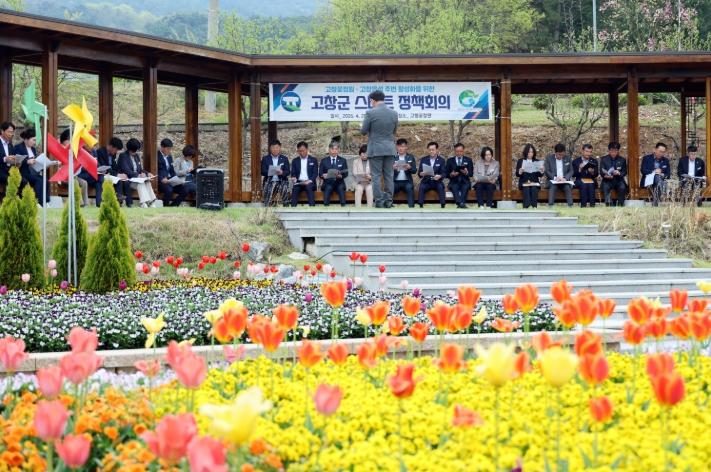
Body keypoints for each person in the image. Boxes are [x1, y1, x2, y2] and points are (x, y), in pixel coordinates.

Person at [360, 89, 398, 208]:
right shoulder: (394, 113)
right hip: (389, 148)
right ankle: (389, 201)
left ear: (372, 100)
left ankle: (379, 201)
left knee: (376, 176)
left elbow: (363, 131)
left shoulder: (370, 113)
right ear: (384, 99)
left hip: (376, 149)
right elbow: (394, 131)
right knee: (389, 176)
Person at [14, 128, 50, 207]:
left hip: (32, 172)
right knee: (38, 181)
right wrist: (27, 162)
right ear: (26, 139)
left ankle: (45, 201)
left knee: (46, 180)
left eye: (35, 140)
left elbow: (35, 161)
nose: (34, 142)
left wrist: (43, 165)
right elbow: (16, 160)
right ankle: (36, 201)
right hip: (23, 172)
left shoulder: (33, 149)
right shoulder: (18, 147)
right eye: (33, 140)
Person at [118, 138, 157, 208]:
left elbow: (140, 169)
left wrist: (148, 174)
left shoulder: (136, 156)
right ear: (129, 149)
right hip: (129, 180)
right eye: (134, 150)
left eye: (136, 150)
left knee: (147, 182)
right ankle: (143, 203)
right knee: (140, 183)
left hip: (138, 179)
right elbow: (126, 170)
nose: (135, 152)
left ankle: (152, 202)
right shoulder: (123, 156)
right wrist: (139, 175)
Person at [58, 129, 89, 207]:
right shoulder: (59, 149)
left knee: (84, 183)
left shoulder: (72, 149)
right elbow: (58, 163)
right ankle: (79, 202)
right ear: (63, 140)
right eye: (68, 140)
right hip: (63, 175)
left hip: (72, 174)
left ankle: (86, 203)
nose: (70, 142)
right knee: (75, 182)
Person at [97, 137, 132, 207]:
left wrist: (121, 174)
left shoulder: (113, 154)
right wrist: (117, 175)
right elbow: (104, 167)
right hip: (104, 174)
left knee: (125, 181)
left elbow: (115, 167)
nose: (116, 152)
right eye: (116, 149)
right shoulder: (100, 152)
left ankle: (129, 203)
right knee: (119, 182)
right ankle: (118, 202)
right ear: (111, 147)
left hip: (112, 174)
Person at [157, 138, 189, 207]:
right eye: (167, 149)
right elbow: (153, 171)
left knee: (185, 190)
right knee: (169, 190)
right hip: (162, 181)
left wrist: (178, 181)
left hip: (171, 180)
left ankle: (173, 207)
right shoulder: (156, 156)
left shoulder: (169, 157)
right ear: (162, 147)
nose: (169, 151)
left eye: (170, 149)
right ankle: (166, 207)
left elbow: (172, 171)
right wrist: (161, 179)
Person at [260, 139, 291, 207]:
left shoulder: (284, 159)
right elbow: (262, 171)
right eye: (273, 148)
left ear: (280, 148)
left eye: (277, 148)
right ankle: (268, 208)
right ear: (270, 149)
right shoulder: (265, 159)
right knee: (267, 189)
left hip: (281, 181)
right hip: (269, 181)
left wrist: (282, 172)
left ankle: (286, 207)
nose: (275, 150)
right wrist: (270, 172)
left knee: (284, 189)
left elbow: (288, 171)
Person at [76, 138, 105, 207]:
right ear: (85, 143)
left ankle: (99, 204)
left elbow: (97, 164)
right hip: (82, 175)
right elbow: (79, 168)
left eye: (94, 145)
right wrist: (91, 169)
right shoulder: (79, 152)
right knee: (99, 178)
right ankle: (104, 181)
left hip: (92, 176)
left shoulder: (94, 153)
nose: (93, 147)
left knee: (98, 182)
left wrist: (101, 169)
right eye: (91, 145)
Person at [640, 142, 671, 207]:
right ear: (655, 149)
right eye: (660, 151)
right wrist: (653, 172)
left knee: (657, 184)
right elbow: (643, 170)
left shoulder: (665, 161)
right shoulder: (647, 158)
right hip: (648, 181)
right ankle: (667, 190)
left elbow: (668, 174)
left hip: (658, 182)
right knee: (655, 175)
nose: (661, 154)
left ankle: (655, 206)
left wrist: (663, 175)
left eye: (663, 152)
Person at [319, 141, 349, 206]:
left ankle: (343, 206)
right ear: (329, 150)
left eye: (336, 149)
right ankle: (326, 206)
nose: (334, 151)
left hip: (339, 182)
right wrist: (323, 175)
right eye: (332, 149)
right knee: (328, 188)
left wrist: (340, 176)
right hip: (328, 182)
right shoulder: (324, 161)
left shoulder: (343, 160)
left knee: (341, 188)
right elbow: (320, 173)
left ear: (338, 150)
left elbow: (346, 173)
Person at [417, 141, 446, 208]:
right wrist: (422, 174)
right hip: (426, 181)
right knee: (422, 186)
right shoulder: (424, 160)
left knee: (440, 186)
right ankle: (420, 205)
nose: (431, 151)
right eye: (430, 150)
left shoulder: (441, 160)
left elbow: (444, 173)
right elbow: (419, 173)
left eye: (433, 150)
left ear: (437, 150)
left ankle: (443, 205)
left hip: (437, 182)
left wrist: (440, 176)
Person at [544, 143, 574, 208]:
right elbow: (547, 171)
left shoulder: (567, 158)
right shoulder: (549, 159)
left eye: (562, 154)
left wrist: (565, 178)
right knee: (553, 187)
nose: (561, 156)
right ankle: (550, 206)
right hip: (553, 181)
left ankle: (570, 206)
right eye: (559, 154)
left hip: (564, 181)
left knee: (567, 187)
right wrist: (555, 178)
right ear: (555, 152)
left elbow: (571, 171)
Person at [599, 142, 628, 207]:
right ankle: (610, 204)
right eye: (612, 151)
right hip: (607, 180)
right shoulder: (604, 159)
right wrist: (605, 175)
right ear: (609, 150)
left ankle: (620, 205)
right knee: (605, 187)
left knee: (622, 187)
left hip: (618, 180)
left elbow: (624, 171)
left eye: (615, 151)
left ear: (618, 151)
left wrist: (619, 173)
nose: (613, 153)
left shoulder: (622, 160)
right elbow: (601, 171)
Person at [516, 143, 544, 209]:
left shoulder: (536, 161)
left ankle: (534, 206)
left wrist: (542, 171)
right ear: (526, 152)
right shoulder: (521, 161)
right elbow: (517, 174)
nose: (530, 154)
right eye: (529, 152)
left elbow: (539, 175)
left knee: (534, 188)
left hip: (534, 182)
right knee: (526, 188)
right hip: (524, 181)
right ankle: (526, 206)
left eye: (532, 152)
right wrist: (520, 171)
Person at [290, 141, 318, 207]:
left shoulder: (313, 160)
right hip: (299, 182)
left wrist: (309, 181)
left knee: (308, 188)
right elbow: (293, 173)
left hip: (310, 182)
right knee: (295, 189)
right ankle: (293, 208)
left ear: (307, 149)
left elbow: (315, 173)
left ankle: (312, 207)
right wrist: (294, 178)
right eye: (299, 151)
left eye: (303, 151)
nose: (301, 153)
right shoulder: (295, 161)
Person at [446, 143, 473, 209]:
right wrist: (451, 174)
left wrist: (466, 172)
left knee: (465, 188)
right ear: (454, 151)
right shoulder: (450, 161)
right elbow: (446, 173)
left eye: (461, 151)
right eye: (457, 151)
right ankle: (461, 203)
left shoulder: (468, 160)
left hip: (464, 181)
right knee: (454, 187)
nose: (459, 153)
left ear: (464, 150)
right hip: (454, 181)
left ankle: (460, 204)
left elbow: (471, 173)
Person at [392, 138, 417, 207]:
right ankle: (388, 206)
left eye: (402, 146)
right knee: (390, 188)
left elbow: (414, 171)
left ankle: (411, 207)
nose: (401, 148)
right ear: (396, 147)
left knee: (409, 188)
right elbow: (386, 170)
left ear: (406, 147)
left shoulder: (410, 157)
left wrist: (409, 168)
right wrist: (392, 168)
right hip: (395, 181)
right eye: (399, 146)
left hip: (407, 181)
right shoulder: (393, 157)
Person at [572, 143, 599, 207]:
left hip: (590, 180)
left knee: (591, 184)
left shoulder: (594, 161)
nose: (588, 153)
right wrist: (579, 169)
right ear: (582, 151)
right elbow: (573, 174)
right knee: (583, 185)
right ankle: (583, 205)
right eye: (587, 151)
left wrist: (592, 172)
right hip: (580, 180)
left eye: (590, 152)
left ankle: (592, 205)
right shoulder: (576, 161)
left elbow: (596, 174)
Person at [0, 121, 16, 202]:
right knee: (10, 179)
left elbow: (12, 158)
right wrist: (4, 159)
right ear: (2, 131)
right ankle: (5, 202)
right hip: (1, 171)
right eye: (8, 132)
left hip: (8, 170)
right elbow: (5, 159)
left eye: (12, 132)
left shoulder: (10, 145)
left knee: (23, 180)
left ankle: (18, 202)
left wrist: (16, 163)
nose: (10, 134)